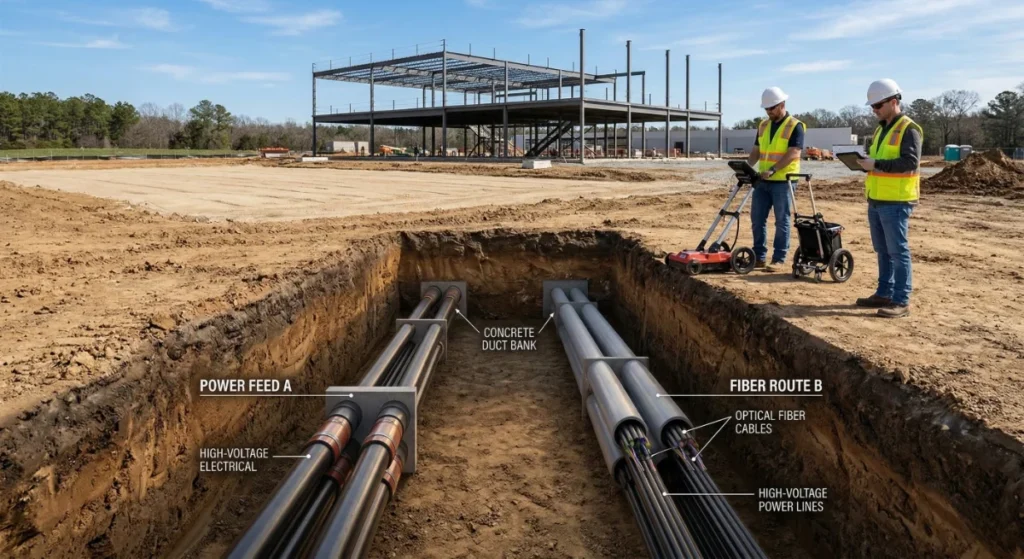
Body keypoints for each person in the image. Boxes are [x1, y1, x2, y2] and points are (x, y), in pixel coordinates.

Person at [855, 78, 922, 318]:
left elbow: (910, 162)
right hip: (877, 198)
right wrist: (865, 163)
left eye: (878, 106)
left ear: (894, 102)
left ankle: (901, 300)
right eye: (872, 106)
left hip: (896, 200)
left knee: (897, 251)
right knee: (882, 250)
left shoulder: (909, 128)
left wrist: (877, 164)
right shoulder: (880, 129)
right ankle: (884, 292)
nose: (874, 111)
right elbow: (878, 162)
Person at [746, 87, 805, 272]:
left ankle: (779, 259)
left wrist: (773, 169)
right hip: (762, 181)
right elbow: (756, 151)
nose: (769, 112)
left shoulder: (795, 126)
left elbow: (794, 152)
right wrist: (746, 168)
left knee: (782, 220)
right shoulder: (763, 126)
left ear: (782, 105)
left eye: (772, 108)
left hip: (783, 181)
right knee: (757, 219)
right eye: (766, 109)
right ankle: (759, 257)